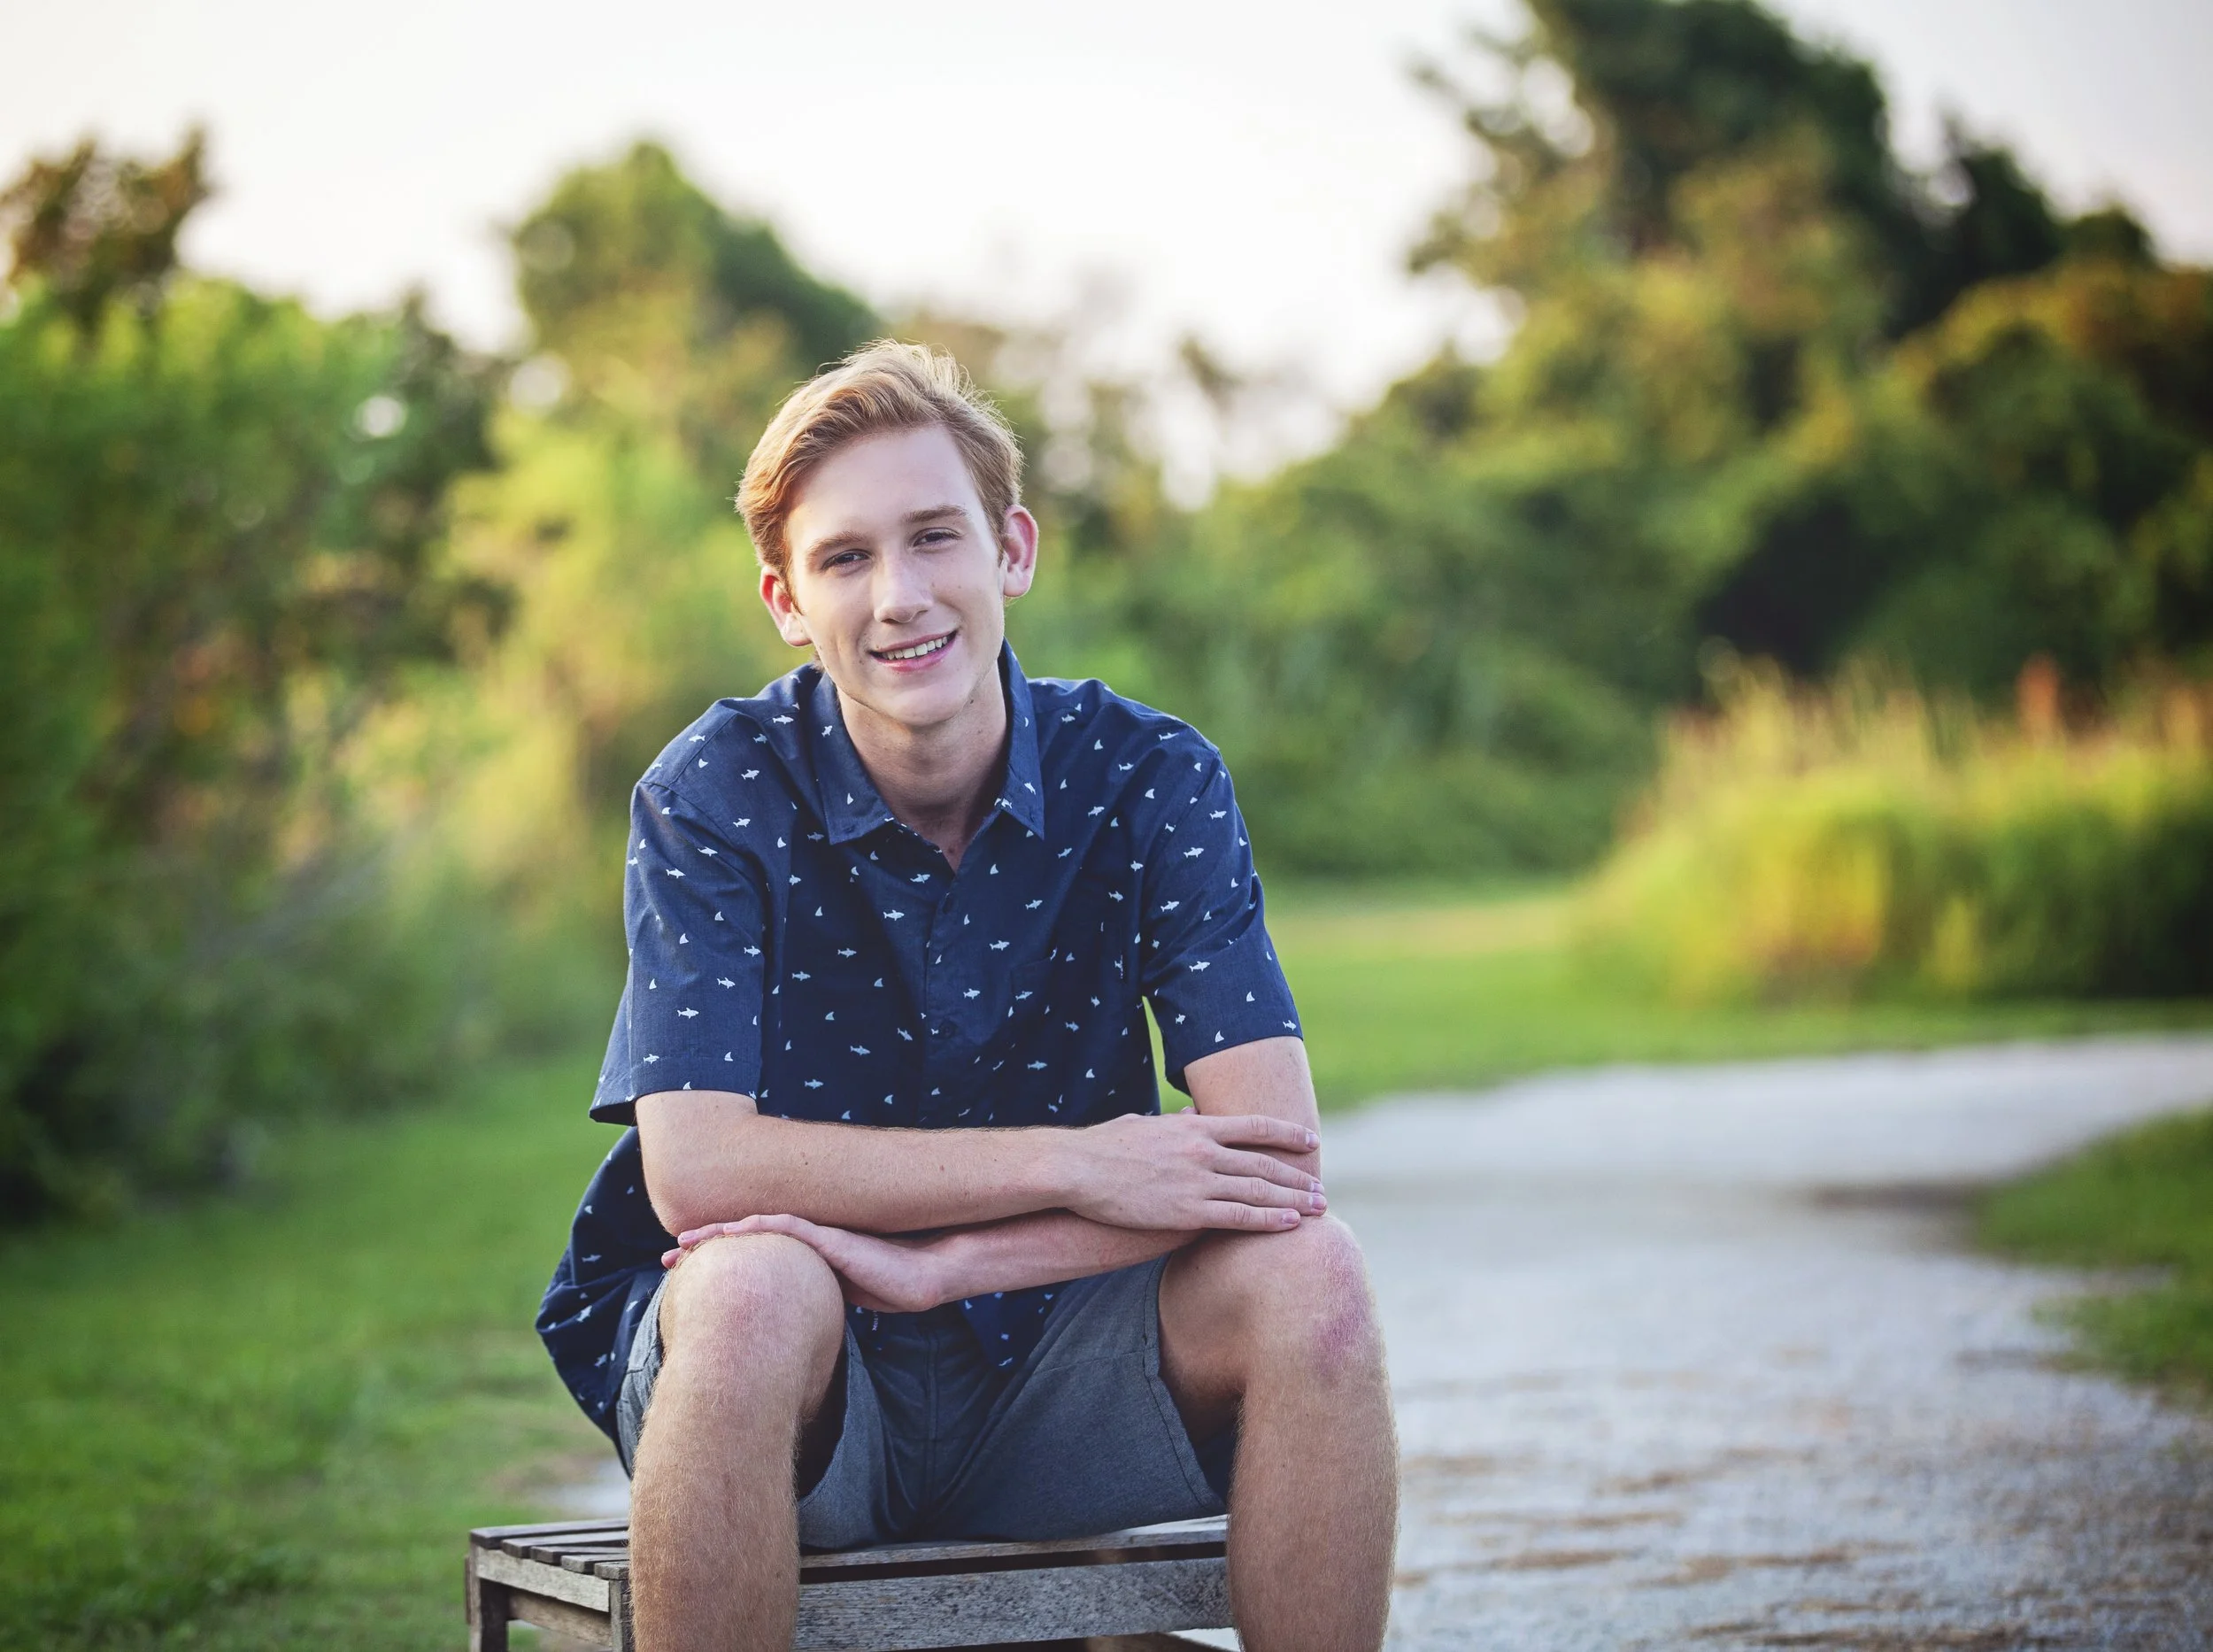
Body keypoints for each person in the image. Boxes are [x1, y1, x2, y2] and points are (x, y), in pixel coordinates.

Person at [538, 341, 1397, 1652]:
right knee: (754, 1285)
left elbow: (1274, 1164)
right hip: (809, 1403)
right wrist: (1079, 1162)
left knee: (1315, 1276)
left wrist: (946, 1264)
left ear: (1013, 549)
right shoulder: (711, 791)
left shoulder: (1151, 777)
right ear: (784, 597)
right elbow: (700, 1172)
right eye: (844, 558)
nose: (899, 597)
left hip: (1066, 1380)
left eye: (935, 537)